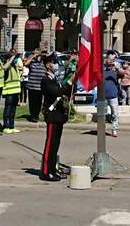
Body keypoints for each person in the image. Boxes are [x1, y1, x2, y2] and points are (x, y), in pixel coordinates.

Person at [40, 52, 76, 182]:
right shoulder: (45, 80)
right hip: (52, 116)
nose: (56, 64)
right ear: (48, 65)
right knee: (50, 145)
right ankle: (45, 172)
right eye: (53, 62)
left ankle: (52, 169)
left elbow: (65, 91)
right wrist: (71, 81)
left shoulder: (54, 78)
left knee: (55, 145)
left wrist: (73, 82)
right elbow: (57, 92)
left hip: (59, 116)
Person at [1, 49, 22, 134]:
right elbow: (4, 68)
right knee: (8, 109)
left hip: (16, 90)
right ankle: (6, 126)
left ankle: (11, 126)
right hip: (9, 91)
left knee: (13, 110)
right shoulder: (7, 65)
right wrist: (11, 58)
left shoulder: (14, 66)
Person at [24, 49, 46, 122]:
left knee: (38, 103)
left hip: (40, 87)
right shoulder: (32, 62)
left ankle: (36, 116)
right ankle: (32, 116)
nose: (37, 57)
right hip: (31, 86)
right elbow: (26, 64)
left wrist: (42, 56)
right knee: (32, 102)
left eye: (37, 55)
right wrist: (33, 56)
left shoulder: (43, 62)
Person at [104, 58, 121, 137]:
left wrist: (116, 67)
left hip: (113, 95)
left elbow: (122, 73)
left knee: (115, 114)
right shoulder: (102, 72)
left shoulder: (115, 72)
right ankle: (102, 128)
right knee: (102, 114)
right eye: (107, 63)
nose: (109, 65)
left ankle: (114, 130)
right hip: (102, 96)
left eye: (110, 63)